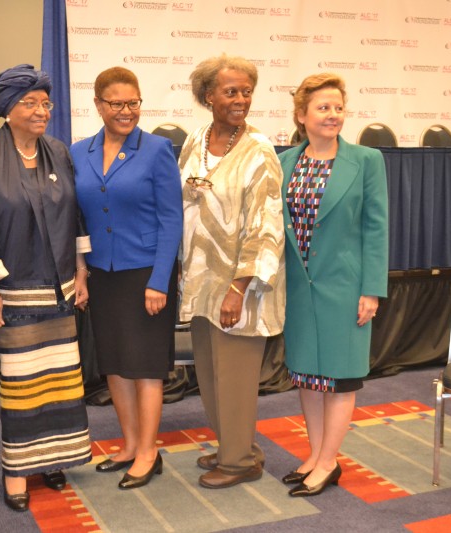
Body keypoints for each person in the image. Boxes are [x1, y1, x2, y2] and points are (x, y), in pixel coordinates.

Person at [0, 64, 92, 512]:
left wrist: (82, 271)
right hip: (14, 293)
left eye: (45, 103)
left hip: (61, 290)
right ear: (7, 109)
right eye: (29, 103)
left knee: (59, 382)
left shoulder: (58, 151)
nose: (41, 111)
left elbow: (74, 215)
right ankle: (16, 470)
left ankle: (52, 459)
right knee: (21, 384)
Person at [70, 67, 183, 490]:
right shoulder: (79, 152)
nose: (126, 111)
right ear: (98, 104)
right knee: (115, 364)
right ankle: (130, 443)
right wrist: (81, 272)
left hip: (145, 274)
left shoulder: (156, 150)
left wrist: (159, 281)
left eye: (133, 103)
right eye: (116, 103)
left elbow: (171, 221)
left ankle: (150, 451)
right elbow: (78, 219)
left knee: (146, 366)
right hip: (102, 274)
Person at [278, 72, 388, 497]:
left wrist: (371, 289)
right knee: (308, 376)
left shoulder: (367, 161)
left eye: (338, 108)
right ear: (302, 115)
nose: (333, 115)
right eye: (323, 108)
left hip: (346, 289)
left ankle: (328, 461)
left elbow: (376, 229)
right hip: (299, 288)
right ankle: (314, 454)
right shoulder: (286, 161)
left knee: (339, 377)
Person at [179, 55, 285, 489]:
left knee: (236, 378)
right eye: (231, 91)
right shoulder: (196, 139)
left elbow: (267, 227)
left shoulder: (259, 150)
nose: (241, 99)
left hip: (241, 287)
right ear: (208, 97)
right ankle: (232, 446)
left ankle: (240, 462)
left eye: (246, 91)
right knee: (210, 372)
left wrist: (238, 289)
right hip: (201, 280)